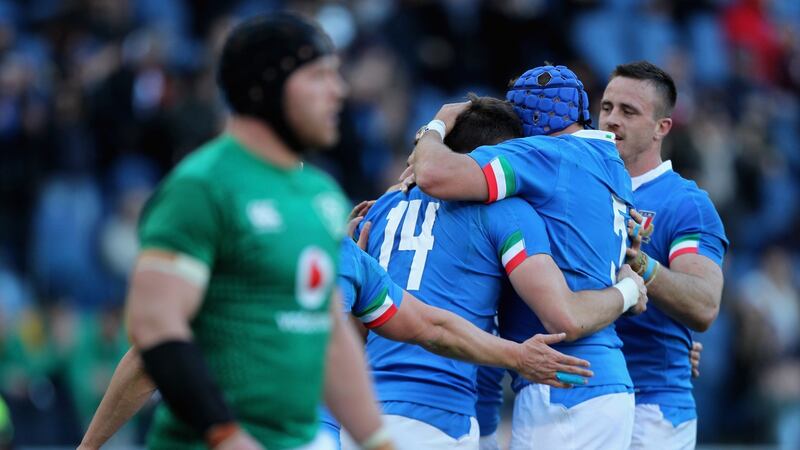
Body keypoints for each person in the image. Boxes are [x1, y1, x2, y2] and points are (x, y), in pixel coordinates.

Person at [80, 13, 391, 450]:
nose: (338, 90)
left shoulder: (321, 198)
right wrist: (225, 434)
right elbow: (155, 332)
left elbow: (330, 340)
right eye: (319, 76)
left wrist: (379, 441)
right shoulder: (201, 187)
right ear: (271, 86)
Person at [359, 92, 644, 450]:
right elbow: (565, 316)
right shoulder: (506, 213)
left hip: (363, 413)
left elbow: (356, 322)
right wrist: (629, 289)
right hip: (443, 414)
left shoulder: (381, 208)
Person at [599, 60, 728, 450]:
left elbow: (703, 304)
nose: (611, 120)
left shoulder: (685, 203)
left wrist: (642, 263)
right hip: (584, 395)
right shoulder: (579, 185)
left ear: (662, 127)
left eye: (628, 111)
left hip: (650, 406)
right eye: (606, 107)